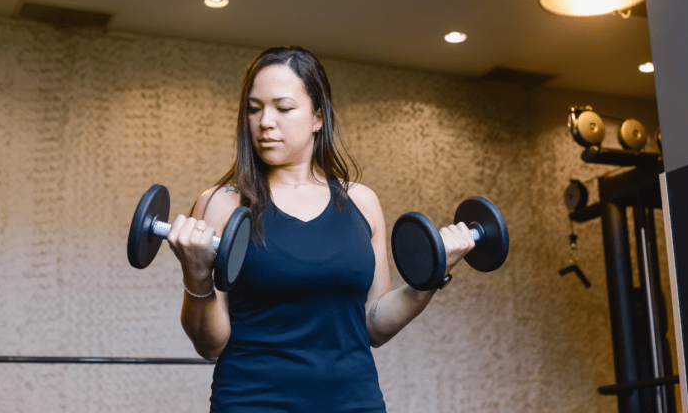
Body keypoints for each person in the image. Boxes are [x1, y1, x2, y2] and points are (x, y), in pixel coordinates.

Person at [166, 46, 475, 413]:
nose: (264, 122)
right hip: (253, 402)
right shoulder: (222, 203)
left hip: (355, 402)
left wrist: (432, 274)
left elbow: (374, 324)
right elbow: (210, 346)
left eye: (282, 108)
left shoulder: (361, 202)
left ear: (317, 116)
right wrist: (196, 275)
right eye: (254, 109)